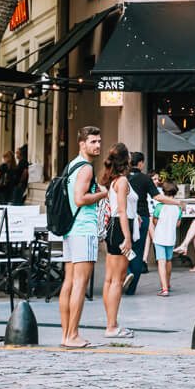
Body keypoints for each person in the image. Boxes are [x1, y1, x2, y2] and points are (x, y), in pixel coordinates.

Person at [59, 126, 106, 349]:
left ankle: (66, 334)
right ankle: (73, 334)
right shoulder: (86, 168)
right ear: (82, 144)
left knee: (69, 282)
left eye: (99, 141)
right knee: (80, 283)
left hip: (70, 230)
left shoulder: (72, 166)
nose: (97, 145)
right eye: (93, 141)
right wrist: (102, 193)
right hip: (83, 229)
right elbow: (80, 199)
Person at [101, 142, 138, 338]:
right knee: (118, 279)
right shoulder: (122, 181)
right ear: (126, 159)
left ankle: (111, 322)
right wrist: (128, 237)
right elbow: (123, 211)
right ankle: (112, 326)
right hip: (121, 227)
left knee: (110, 279)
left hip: (113, 227)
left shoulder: (113, 180)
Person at [125, 152, 161, 295]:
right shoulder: (146, 179)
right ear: (141, 163)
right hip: (143, 217)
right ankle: (132, 288)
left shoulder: (123, 178)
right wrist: (175, 202)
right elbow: (156, 196)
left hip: (126, 216)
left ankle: (127, 272)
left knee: (124, 247)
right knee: (138, 250)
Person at [152, 181, 182, 297]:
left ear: (163, 192)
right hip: (171, 238)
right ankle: (168, 284)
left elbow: (154, 220)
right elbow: (178, 224)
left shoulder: (159, 206)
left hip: (159, 237)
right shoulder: (177, 208)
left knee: (161, 262)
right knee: (169, 261)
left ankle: (164, 289)